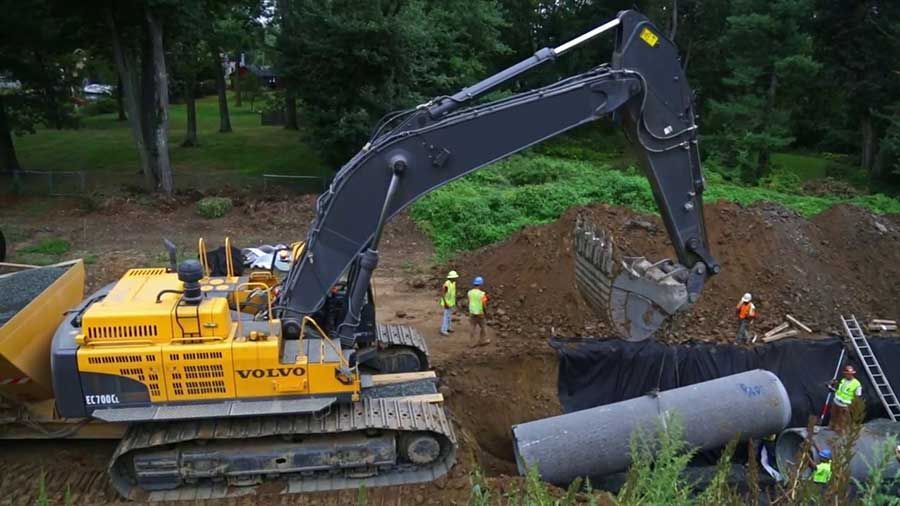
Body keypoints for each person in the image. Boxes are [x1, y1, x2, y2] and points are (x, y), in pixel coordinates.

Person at [829, 365, 862, 432]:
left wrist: (853, 406)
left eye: (849, 374)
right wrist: (832, 388)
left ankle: (840, 432)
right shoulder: (843, 380)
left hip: (845, 405)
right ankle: (831, 427)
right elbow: (840, 390)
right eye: (846, 374)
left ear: (852, 374)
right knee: (833, 416)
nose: (847, 375)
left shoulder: (857, 384)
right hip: (836, 401)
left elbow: (857, 396)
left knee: (842, 420)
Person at [467, 276, 490, 346]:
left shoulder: (469, 292)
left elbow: (469, 301)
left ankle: (471, 343)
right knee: (483, 327)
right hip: (480, 313)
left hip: (472, 312)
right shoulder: (482, 294)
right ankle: (483, 340)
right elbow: (484, 304)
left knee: (472, 327)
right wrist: (486, 312)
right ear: (480, 284)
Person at [439, 270, 459, 336]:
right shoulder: (446, 284)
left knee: (449, 315)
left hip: (451, 302)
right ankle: (443, 330)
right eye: (454, 277)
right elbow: (442, 294)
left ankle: (448, 327)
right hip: (447, 303)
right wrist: (445, 303)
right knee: (446, 316)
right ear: (451, 278)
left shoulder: (453, 283)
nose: (456, 278)